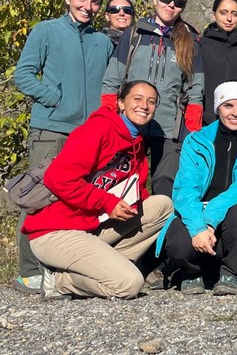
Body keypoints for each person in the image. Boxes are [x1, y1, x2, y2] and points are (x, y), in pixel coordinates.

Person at [22, 81, 173, 299]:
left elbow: (137, 191)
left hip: (90, 226)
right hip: (56, 232)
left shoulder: (137, 143)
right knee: (130, 284)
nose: (145, 106)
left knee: (162, 206)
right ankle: (58, 280)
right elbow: (58, 178)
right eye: (137, 99)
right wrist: (107, 203)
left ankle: (107, 267)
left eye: (151, 102)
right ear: (121, 102)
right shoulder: (98, 130)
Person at [13, 0, 114, 294]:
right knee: (38, 198)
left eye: (95, 2)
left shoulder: (103, 41)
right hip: (51, 128)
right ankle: (29, 272)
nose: (88, 6)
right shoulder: (46, 30)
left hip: (89, 134)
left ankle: (61, 268)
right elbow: (23, 74)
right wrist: (54, 98)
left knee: (79, 201)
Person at [156, 82, 237, 295]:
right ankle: (191, 272)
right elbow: (185, 190)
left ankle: (232, 271)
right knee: (178, 241)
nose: (235, 113)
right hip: (199, 215)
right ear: (218, 108)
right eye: (228, 105)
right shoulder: (195, 141)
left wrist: (210, 218)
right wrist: (198, 228)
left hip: (231, 218)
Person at [101, 0, 204, 197]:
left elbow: (196, 88)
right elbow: (112, 80)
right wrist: (109, 118)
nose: (171, 5)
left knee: (165, 185)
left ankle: (162, 230)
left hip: (169, 128)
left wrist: (192, 127)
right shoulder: (133, 35)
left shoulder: (190, 41)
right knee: (123, 184)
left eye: (178, 2)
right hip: (128, 122)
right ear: (155, 0)